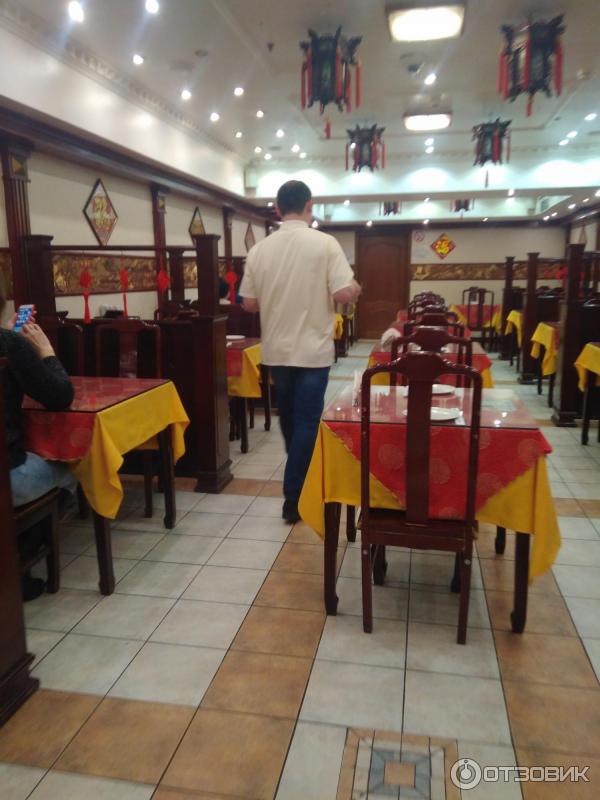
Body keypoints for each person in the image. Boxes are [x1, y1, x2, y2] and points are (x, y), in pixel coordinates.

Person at [240, 180, 361, 522]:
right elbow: (342, 294)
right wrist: (355, 288)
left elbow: (248, 303)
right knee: (307, 420)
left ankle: (300, 481)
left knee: (290, 418)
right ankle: (294, 497)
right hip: (313, 351)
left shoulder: (259, 250)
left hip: (276, 350)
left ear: (278, 209)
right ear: (310, 205)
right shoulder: (325, 244)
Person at [0, 292, 76, 597]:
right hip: (8, 480)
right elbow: (60, 395)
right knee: (72, 465)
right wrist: (46, 351)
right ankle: (20, 564)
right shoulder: (8, 343)